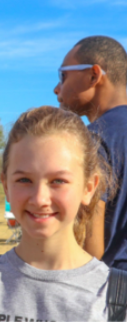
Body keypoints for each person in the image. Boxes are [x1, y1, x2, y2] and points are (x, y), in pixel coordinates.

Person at [0, 106, 116, 321]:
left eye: (58, 181)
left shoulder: (116, 298)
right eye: (24, 180)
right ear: (6, 185)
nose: (40, 199)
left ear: (89, 188)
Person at [54, 36, 127, 269]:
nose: (57, 88)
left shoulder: (92, 138)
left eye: (62, 76)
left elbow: (90, 248)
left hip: (114, 289)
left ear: (94, 75)